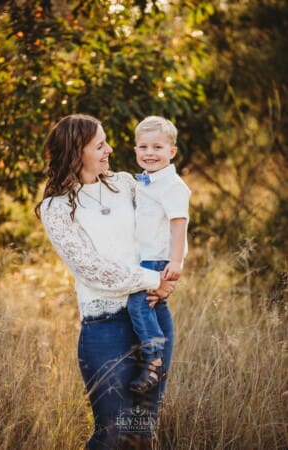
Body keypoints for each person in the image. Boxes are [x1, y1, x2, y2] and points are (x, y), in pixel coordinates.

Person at [35, 113, 176, 450]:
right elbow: (91, 269)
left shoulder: (126, 184)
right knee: (112, 434)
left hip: (154, 317)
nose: (110, 150)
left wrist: (171, 271)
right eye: (100, 145)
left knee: (141, 433)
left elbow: (163, 223)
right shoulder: (56, 208)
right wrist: (152, 278)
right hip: (105, 327)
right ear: (77, 151)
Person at [127, 116, 191, 395]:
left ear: (172, 152)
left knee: (138, 305)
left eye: (157, 147)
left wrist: (176, 262)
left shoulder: (172, 185)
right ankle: (155, 356)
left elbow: (179, 223)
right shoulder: (146, 181)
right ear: (135, 151)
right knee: (151, 305)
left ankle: (154, 361)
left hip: (157, 258)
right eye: (143, 147)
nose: (149, 153)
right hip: (144, 257)